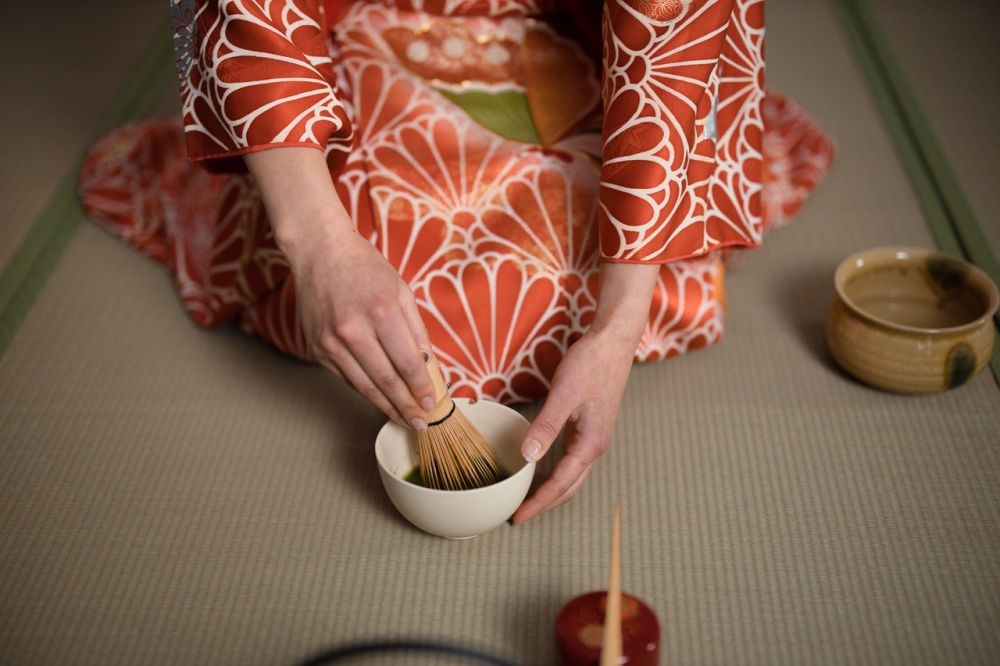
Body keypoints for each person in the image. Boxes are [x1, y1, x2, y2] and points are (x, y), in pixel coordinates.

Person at [80, 0, 833, 523]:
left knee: (578, 277)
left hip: (578, 26)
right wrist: (316, 244)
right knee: (369, 260)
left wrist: (620, 323)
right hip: (347, 28)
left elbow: (677, 25)